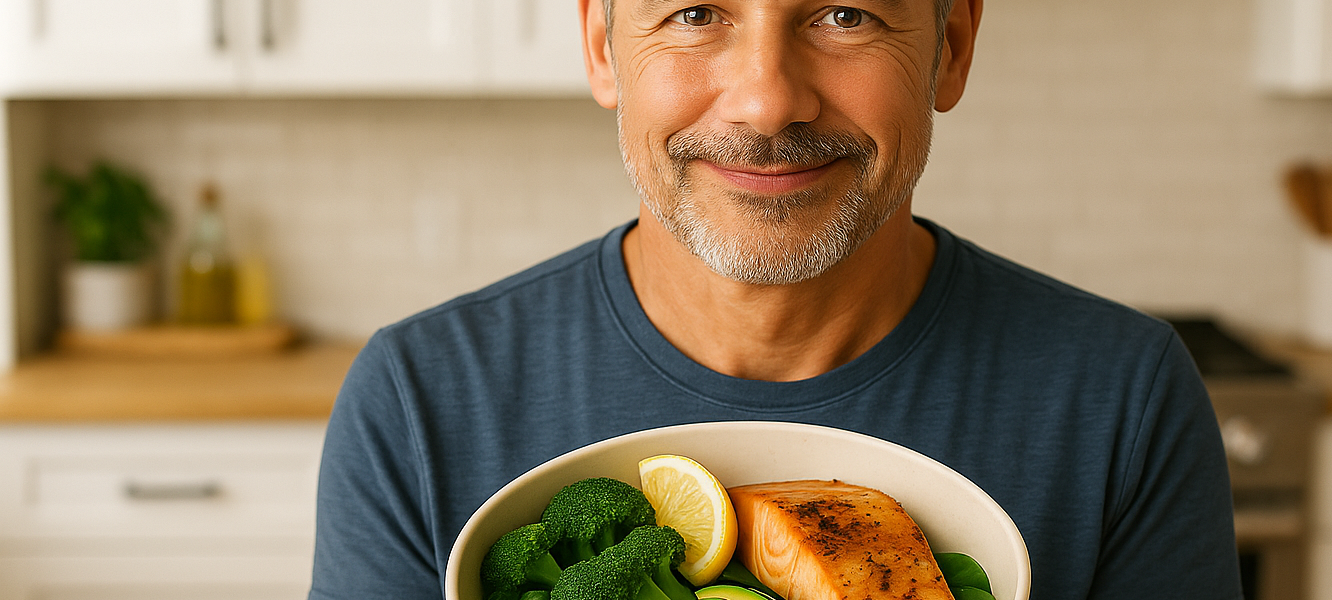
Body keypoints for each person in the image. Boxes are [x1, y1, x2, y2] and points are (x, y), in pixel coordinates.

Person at [307, 0, 1242, 598]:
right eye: (696, 12)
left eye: (844, 15)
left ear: (949, 51)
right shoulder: (417, 398)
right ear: (602, 48)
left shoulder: (1126, 393)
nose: (766, 101)